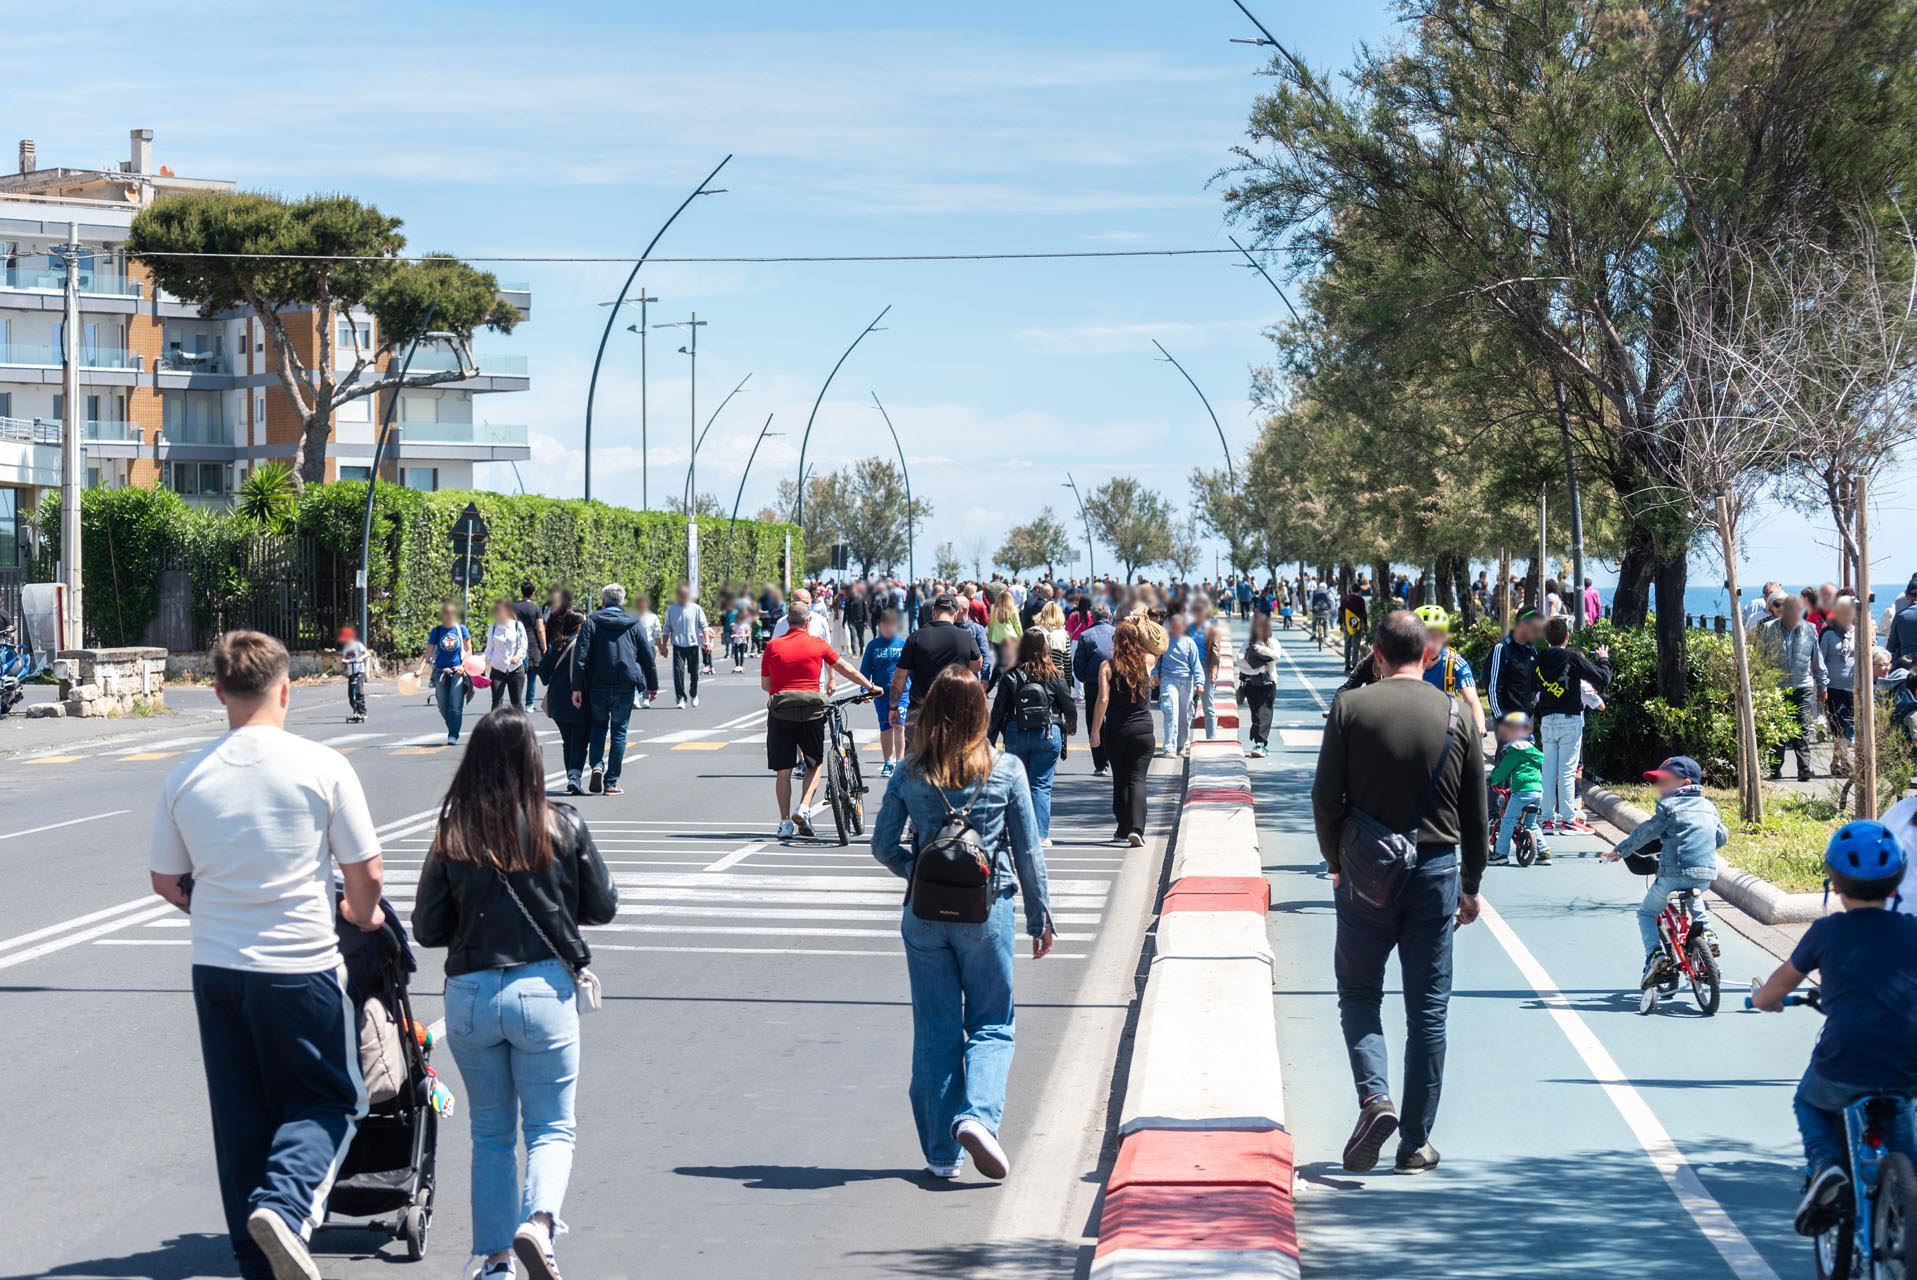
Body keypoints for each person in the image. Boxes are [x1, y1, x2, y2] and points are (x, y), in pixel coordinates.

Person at [147, 631, 384, 1280]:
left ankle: (256, 1259)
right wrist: (360, 916)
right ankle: (284, 1205)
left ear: (216, 691)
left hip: (217, 971)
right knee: (330, 1101)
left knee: (240, 1114)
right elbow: (364, 867)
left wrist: (222, 914)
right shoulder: (322, 766)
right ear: (286, 689)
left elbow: (167, 882)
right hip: (299, 965)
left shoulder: (185, 777)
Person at [412, 709, 619, 1280]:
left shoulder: (453, 831)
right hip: (541, 991)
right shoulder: (562, 825)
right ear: (533, 759)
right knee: (552, 1126)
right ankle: (540, 1226)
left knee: (491, 1133)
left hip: (471, 995)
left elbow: (427, 929)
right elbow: (603, 906)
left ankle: (499, 1260)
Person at [1311, 608, 1487, 1176]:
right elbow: (1475, 812)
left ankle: (1373, 1098)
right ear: (1430, 656)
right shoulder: (1457, 714)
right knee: (1428, 1014)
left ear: (1377, 654)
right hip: (1436, 875)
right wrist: (1472, 884)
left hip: (1365, 876)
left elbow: (1324, 798)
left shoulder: (1350, 706)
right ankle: (1414, 1143)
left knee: (1359, 994)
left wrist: (1336, 863)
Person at [869, 667, 1054, 1181]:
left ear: (931, 713)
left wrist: (922, 872)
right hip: (987, 911)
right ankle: (978, 1118)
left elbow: (883, 845)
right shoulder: (1007, 769)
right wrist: (1041, 919)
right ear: (982, 714)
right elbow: (1028, 851)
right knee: (993, 1022)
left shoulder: (909, 772)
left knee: (936, 1030)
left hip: (924, 916)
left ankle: (939, 1154)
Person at [1751, 821, 1917, 1236]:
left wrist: (1763, 1002)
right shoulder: (1913, 929)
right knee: (1904, 1140)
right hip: (1909, 1061)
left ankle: (1826, 1167)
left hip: (1845, 1058)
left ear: (1834, 884)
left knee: (1811, 1102)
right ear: (1896, 883)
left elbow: (1780, 984)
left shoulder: (1826, 931)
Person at [762, 597, 883, 839]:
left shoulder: (773, 647)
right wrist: (870, 686)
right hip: (811, 712)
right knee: (814, 763)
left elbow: (767, 685)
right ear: (807, 622)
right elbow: (845, 668)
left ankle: (785, 823)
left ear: (788, 622)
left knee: (783, 770)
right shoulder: (817, 644)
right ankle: (805, 808)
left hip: (780, 713)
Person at [1601, 755, 1726, 980]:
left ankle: (1655, 956)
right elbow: (1721, 836)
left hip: (1672, 874)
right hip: (1705, 873)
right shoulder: (1709, 807)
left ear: (1685, 784)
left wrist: (1619, 851)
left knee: (1646, 913)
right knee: (1694, 896)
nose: (1659, 787)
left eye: (1665, 781)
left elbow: (1647, 831)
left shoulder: (1669, 807)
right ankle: (1707, 933)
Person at [990, 630, 1077, 844]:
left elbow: (998, 710)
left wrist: (990, 739)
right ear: (1045, 648)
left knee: (1018, 784)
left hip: (1016, 733)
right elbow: (1068, 704)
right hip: (1047, 733)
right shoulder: (1053, 674)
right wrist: (1070, 726)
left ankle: (1019, 832)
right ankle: (1039, 835)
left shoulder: (1011, 674)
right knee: (1041, 785)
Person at [571, 584, 657, 797]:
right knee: (619, 732)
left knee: (598, 727)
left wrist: (577, 687)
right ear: (622, 601)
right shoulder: (633, 623)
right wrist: (652, 685)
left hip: (597, 684)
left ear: (603, 599)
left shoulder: (591, 623)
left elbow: (581, 656)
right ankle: (611, 782)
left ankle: (597, 765)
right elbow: (647, 656)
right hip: (625, 684)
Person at [1534, 616, 1610, 833]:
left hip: (1547, 720)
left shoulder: (1539, 659)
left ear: (1547, 638)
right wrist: (1604, 660)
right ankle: (1568, 820)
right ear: (1567, 637)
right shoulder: (1572, 658)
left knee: (1548, 770)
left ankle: (1547, 820)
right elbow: (1601, 678)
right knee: (1567, 771)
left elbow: (1531, 686)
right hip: (1570, 721)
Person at [1091, 620, 1159, 847]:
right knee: (1138, 779)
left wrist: (1095, 730)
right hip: (1143, 731)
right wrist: (1144, 625)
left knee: (1120, 779)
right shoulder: (1148, 661)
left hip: (1116, 730)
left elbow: (1103, 700)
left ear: (1115, 641)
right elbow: (1160, 644)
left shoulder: (1107, 666)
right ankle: (1137, 829)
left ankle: (1122, 827)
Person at [892, 593, 984, 740]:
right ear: (955, 614)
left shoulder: (915, 637)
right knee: (953, 758)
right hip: (955, 710)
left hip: (921, 711)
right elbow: (978, 665)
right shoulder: (966, 636)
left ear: (933, 611)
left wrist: (893, 707)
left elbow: (899, 676)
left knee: (915, 759)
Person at [1757, 593, 1828, 781]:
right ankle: (1775, 768)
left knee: (1802, 727)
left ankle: (1804, 768)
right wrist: (1759, 684)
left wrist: (1823, 685)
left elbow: (1817, 659)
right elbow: (1759, 659)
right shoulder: (1767, 629)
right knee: (1777, 729)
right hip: (1776, 688)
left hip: (1802, 685)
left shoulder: (1810, 629)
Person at [1414, 606, 1485, 741]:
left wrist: (1479, 726)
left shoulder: (1454, 662)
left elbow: (1472, 700)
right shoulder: (1405, 661)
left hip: (1444, 727)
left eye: (1435, 636)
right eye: (1425, 636)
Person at [1486, 711, 1547, 866]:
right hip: (1538, 792)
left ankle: (1500, 854)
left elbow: (1503, 771)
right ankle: (1544, 852)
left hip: (1521, 791)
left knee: (1508, 820)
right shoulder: (1536, 753)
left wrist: (1492, 779)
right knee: (1531, 823)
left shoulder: (1514, 752)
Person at [539, 605, 590, 794]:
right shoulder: (584, 645)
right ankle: (574, 776)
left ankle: (571, 775)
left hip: (557, 701)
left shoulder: (555, 645)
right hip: (578, 698)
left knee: (567, 739)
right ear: (578, 627)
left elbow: (543, 674)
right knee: (579, 739)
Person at [861, 608, 910, 776]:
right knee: (885, 727)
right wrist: (865, 688)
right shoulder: (873, 646)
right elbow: (866, 669)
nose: (889, 628)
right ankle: (888, 762)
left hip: (902, 692)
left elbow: (912, 668)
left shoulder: (903, 644)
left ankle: (900, 762)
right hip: (881, 693)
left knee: (899, 725)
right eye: (885, 624)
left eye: (892, 625)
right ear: (880, 625)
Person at [1073, 603, 1116, 777]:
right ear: (1109, 616)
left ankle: (1100, 764)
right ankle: (1114, 759)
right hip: (1115, 681)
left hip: (1092, 683)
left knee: (1094, 721)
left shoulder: (1085, 635)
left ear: (1093, 617)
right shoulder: (1117, 633)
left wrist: (1085, 678)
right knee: (1114, 719)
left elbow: (1078, 664)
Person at [422, 601, 473, 745]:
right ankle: (453, 726)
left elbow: (469, 650)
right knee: (443, 705)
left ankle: (453, 734)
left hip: (458, 671)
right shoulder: (437, 631)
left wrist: (463, 666)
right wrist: (420, 670)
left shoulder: (461, 629)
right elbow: (429, 651)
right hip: (440, 672)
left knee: (456, 705)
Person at [1819, 596, 1860, 771]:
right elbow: (1820, 659)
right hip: (1833, 687)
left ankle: (1837, 761)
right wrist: (1821, 685)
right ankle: (1844, 762)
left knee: (1848, 724)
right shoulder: (1828, 633)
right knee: (1839, 723)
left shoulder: (1858, 631)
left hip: (1853, 687)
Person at [1155, 614, 1203, 758]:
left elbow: (1197, 666)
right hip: (1168, 679)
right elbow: (1156, 660)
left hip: (1186, 681)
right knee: (1171, 711)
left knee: (1184, 715)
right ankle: (1170, 747)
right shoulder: (1164, 641)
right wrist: (1155, 673)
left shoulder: (1189, 643)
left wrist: (1199, 682)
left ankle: (1182, 743)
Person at [1486, 609, 1543, 724]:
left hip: (1528, 720)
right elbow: (1493, 687)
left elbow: (1536, 685)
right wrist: (1501, 718)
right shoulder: (1501, 649)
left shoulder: (1532, 651)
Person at [662, 583, 708, 710]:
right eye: (680, 594)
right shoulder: (671, 609)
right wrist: (664, 645)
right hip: (678, 645)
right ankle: (681, 698)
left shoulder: (696, 608)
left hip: (693, 644)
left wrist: (707, 641)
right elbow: (667, 627)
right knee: (678, 672)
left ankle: (693, 694)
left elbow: (704, 626)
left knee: (694, 673)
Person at [1240, 613, 1279, 757]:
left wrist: (1260, 650)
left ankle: (1260, 743)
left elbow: (1276, 655)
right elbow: (1241, 661)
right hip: (1251, 684)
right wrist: (1257, 668)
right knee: (1256, 713)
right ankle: (1258, 741)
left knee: (1266, 713)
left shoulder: (1272, 642)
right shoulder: (1247, 643)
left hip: (1269, 683)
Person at [483, 596, 530, 711]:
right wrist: (481, 662)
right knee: (496, 702)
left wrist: (518, 656)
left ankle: (520, 728)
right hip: (498, 669)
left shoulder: (517, 625)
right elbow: (489, 649)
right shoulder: (493, 627)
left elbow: (523, 646)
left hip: (516, 669)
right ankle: (495, 728)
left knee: (516, 703)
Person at [1191, 597, 1223, 741]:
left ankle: (1211, 737)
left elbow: (1215, 653)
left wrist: (1213, 673)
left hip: (1205, 666)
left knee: (1208, 705)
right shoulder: (1187, 628)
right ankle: (1183, 739)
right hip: (1189, 666)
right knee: (1187, 703)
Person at [516, 581, 548, 709]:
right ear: (533, 593)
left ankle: (517, 702)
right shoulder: (536, 608)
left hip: (517, 643)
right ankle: (529, 703)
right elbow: (540, 629)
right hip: (533, 643)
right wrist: (544, 647)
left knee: (517, 675)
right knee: (532, 676)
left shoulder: (514, 607)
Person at [630, 592, 664, 710]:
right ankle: (635, 698)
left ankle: (645, 698)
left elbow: (656, 634)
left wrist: (660, 647)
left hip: (649, 647)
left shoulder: (653, 617)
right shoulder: (632, 617)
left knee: (646, 672)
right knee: (635, 672)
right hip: (634, 648)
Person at [336, 626, 369, 723]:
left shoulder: (358, 645)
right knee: (351, 694)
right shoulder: (346, 648)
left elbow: (367, 653)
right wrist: (344, 661)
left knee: (359, 690)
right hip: (351, 672)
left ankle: (362, 712)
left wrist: (361, 658)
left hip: (359, 671)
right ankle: (355, 711)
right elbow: (344, 659)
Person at [1340, 587, 1369, 672]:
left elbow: (1341, 612)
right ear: (1359, 591)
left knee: (1347, 644)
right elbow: (1364, 613)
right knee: (1356, 645)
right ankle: (1354, 664)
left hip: (1347, 625)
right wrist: (1365, 624)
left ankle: (1347, 664)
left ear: (1351, 590)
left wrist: (1341, 623)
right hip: (1357, 625)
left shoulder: (1345, 599)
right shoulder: (1361, 600)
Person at [844, 582, 871, 653]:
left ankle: (862, 648)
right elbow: (846, 610)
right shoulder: (848, 599)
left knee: (860, 637)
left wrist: (866, 622)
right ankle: (854, 652)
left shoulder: (862, 598)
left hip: (860, 620)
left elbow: (866, 611)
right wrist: (844, 621)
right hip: (851, 621)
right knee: (853, 636)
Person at [730, 606, 754, 674]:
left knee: (742, 654)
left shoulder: (745, 625)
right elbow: (733, 632)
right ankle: (737, 666)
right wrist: (733, 635)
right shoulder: (734, 625)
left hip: (743, 641)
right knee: (736, 654)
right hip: (736, 641)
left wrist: (744, 635)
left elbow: (748, 632)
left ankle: (741, 666)